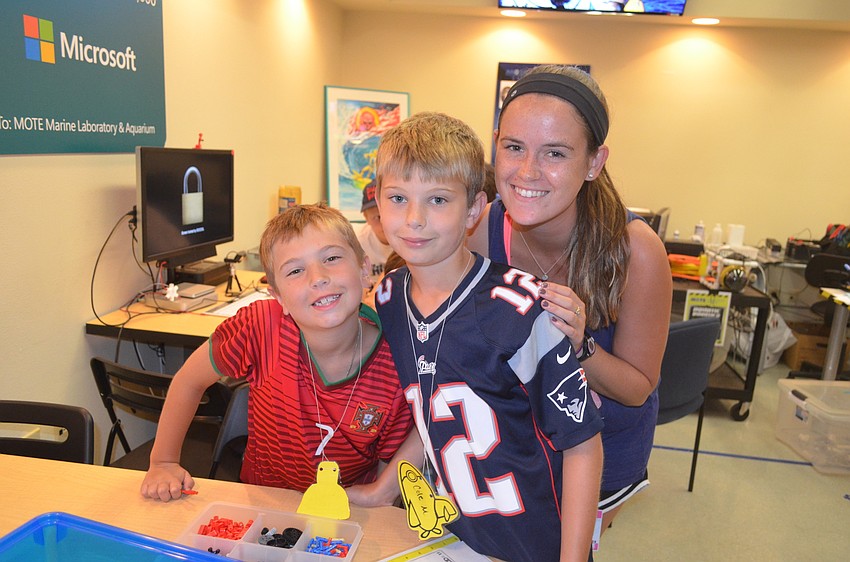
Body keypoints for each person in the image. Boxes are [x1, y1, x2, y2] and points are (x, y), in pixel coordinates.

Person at [373, 111, 603, 562]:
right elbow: (436, 410)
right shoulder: (387, 298)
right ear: (377, 203)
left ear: (475, 209)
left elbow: (582, 446)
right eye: (398, 198)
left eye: (438, 200)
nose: (414, 219)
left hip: (533, 544)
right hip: (451, 535)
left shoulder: (521, 311)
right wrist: (384, 488)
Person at [467, 65, 672, 532]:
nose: (527, 172)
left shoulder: (636, 251)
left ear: (594, 162)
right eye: (513, 147)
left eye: (555, 153)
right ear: (495, 143)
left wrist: (579, 347)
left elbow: (638, 387)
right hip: (515, 444)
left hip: (603, 451)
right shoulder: (481, 230)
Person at [140, 203, 415, 503]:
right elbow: (188, 381)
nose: (317, 278)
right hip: (264, 502)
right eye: (296, 270)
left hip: (348, 510)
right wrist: (163, 462)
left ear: (364, 270)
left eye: (332, 258)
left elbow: (389, 466)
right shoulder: (259, 326)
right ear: (278, 296)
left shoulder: (398, 362)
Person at [358, 180, 393, 291]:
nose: (384, 222)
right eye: (377, 217)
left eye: (389, 214)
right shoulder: (358, 242)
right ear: (366, 218)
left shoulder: (411, 239)